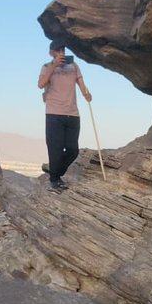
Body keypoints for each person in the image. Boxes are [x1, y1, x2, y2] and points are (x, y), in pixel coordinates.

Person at [38, 41, 91, 192]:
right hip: (54, 113)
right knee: (55, 149)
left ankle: (55, 173)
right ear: (51, 53)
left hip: (73, 113)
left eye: (63, 50)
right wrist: (54, 66)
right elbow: (40, 84)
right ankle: (54, 181)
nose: (61, 52)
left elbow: (81, 83)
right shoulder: (46, 67)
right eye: (58, 50)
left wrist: (86, 94)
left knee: (73, 150)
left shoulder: (73, 66)